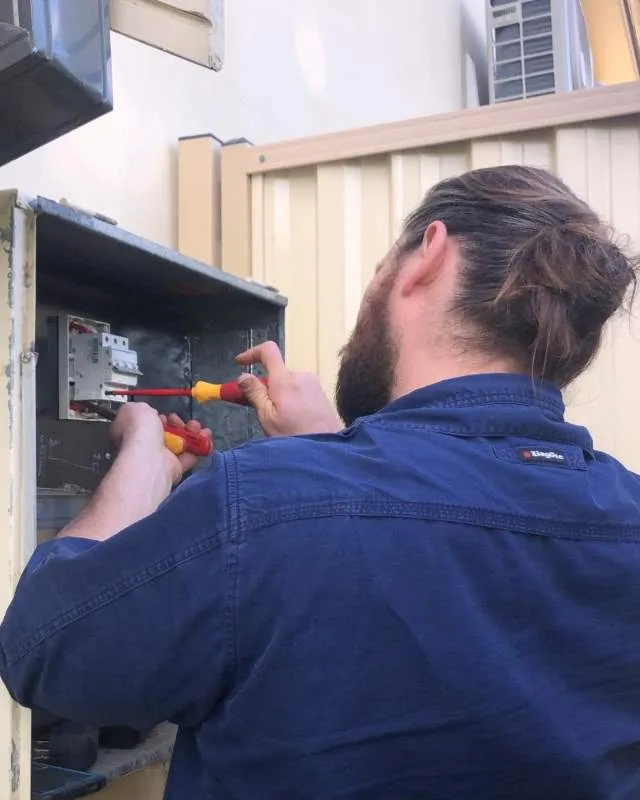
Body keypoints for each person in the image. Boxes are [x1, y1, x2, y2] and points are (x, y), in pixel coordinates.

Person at [1, 164, 640, 800]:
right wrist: (327, 452)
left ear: (428, 255)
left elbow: (43, 648)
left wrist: (142, 459)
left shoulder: (262, 504)